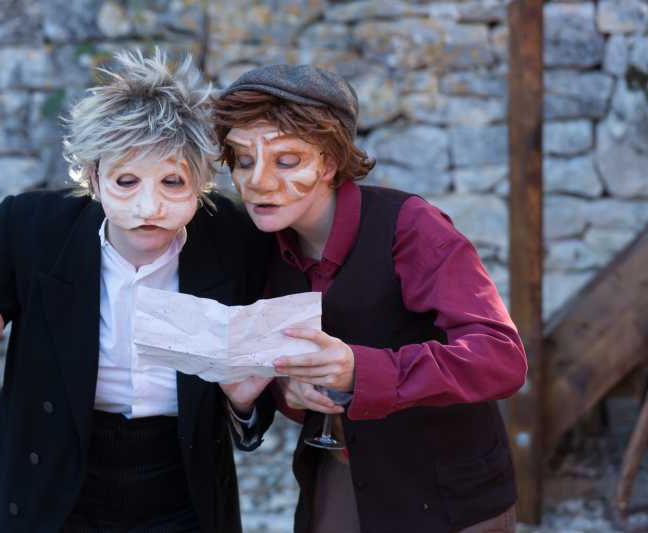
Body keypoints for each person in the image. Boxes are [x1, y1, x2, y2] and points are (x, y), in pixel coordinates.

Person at [0, 49, 274, 533]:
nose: (149, 206)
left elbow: (258, 372)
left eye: (172, 182)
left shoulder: (235, 238)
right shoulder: (32, 228)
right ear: (95, 179)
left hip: (182, 480)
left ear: (200, 182)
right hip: (52, 475)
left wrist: (242, 404)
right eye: (126, 181)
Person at [212, 64, 528, 533]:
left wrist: (361, 371)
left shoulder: (411, 226)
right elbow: (276, 380)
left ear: (329, 163)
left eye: (287, 160)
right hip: (338, 479)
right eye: (242, 159)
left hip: (448, 497)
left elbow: (501, 358)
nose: (258, 180)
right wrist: (287, 390)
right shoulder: (261, 242)